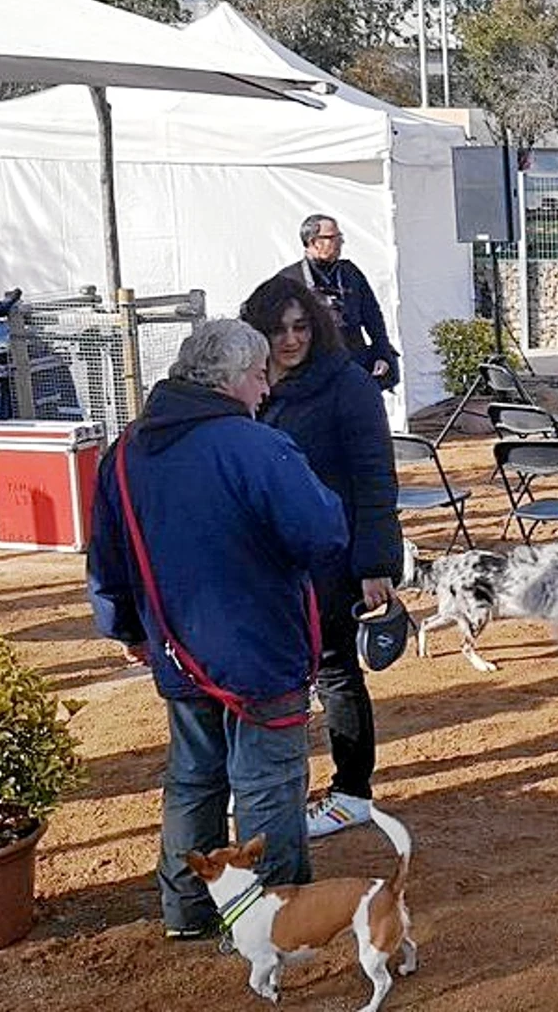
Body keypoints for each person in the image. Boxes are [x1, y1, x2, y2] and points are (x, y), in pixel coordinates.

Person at [86, 319, 348, 939]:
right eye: (261, 376)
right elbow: (323, 533)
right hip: (259, 651)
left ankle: (187, 911)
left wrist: (126, 627)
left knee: (192, 780)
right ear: (233, 380)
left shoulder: (123, 451)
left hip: (175, 650)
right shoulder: (255, 446)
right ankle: (270, 925)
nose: (266, 389)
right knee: (268, 786)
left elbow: (107, 556)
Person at [240, 275, 402, 840]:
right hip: (265, 563)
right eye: (278, 328)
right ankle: (274, 787)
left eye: (301, 326)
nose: (290, 339)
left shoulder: (347, 386)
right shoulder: (246, 388)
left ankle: (352, 792)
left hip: (333, 558)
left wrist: (375, 564)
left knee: (335, 671)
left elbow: (376, 477)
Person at [278, 214, 400, 391]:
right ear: (314, 242)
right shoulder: (289, 280)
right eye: (333, 238)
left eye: (339, 237)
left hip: (354, 366)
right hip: (315, 375)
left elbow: (373, 317)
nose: (340, 242)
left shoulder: (350, 272)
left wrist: (382, 354)